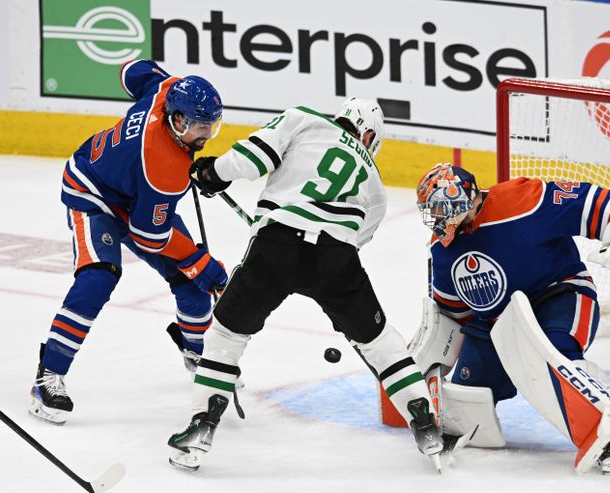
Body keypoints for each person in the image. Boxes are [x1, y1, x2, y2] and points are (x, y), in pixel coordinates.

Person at [166, 98, 445, 471]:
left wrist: (213, 173)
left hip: (276, 247)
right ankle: (425, 422)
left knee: (227, 335)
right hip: (336, 259)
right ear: (366, 134)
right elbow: (359, 237)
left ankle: (202, 426)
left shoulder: (303, 120)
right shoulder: (374, 181)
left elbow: (251, 159)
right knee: (379, 341)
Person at [412, 162, 610, 474]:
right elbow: (453, 315)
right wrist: (420, 374)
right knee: (467, 397)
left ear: (463, 199)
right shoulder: (442, 249)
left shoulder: (522, 201)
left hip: (560, 295)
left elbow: (592, 201)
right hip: (497, 322)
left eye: (440, 209)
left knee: (556, 356)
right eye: (431, 211)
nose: (435, 219)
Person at [29, 59, 229, 425]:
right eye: (201, 127)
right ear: (179, 120)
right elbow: (150, 238)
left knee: (189, 280)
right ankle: (48, 377)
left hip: (134, 194)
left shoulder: (167, 90)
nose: (207, 135)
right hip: (91, 192)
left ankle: (197, 353)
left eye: (212, 126)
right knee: (100, 276)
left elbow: (131, 70)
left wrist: (195, 266)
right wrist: (203, 263)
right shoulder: (162, 168)